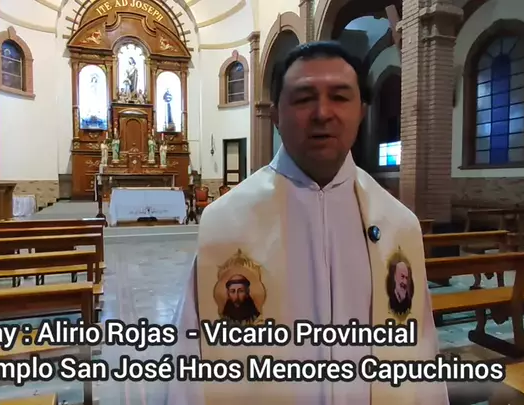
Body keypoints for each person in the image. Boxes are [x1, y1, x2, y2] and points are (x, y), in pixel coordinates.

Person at [168, 41, 447, 405]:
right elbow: (189, 360)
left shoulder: (398, 225)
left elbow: (421, 348)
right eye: (303, 98)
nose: (322, 113)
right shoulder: (227, 224)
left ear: (361, 112)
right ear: (276, 115)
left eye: (340, 97)